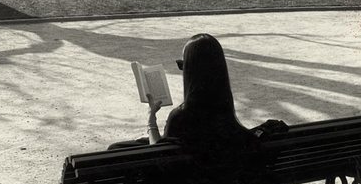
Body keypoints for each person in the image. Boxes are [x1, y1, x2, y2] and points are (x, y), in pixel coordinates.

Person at [109, 33, 258, 153]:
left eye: (183, 65)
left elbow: (157, 152)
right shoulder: (224, 110)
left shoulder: (181, 115)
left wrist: (151, 119)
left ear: (191, 71)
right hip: (216, 180)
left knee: (115, 149)